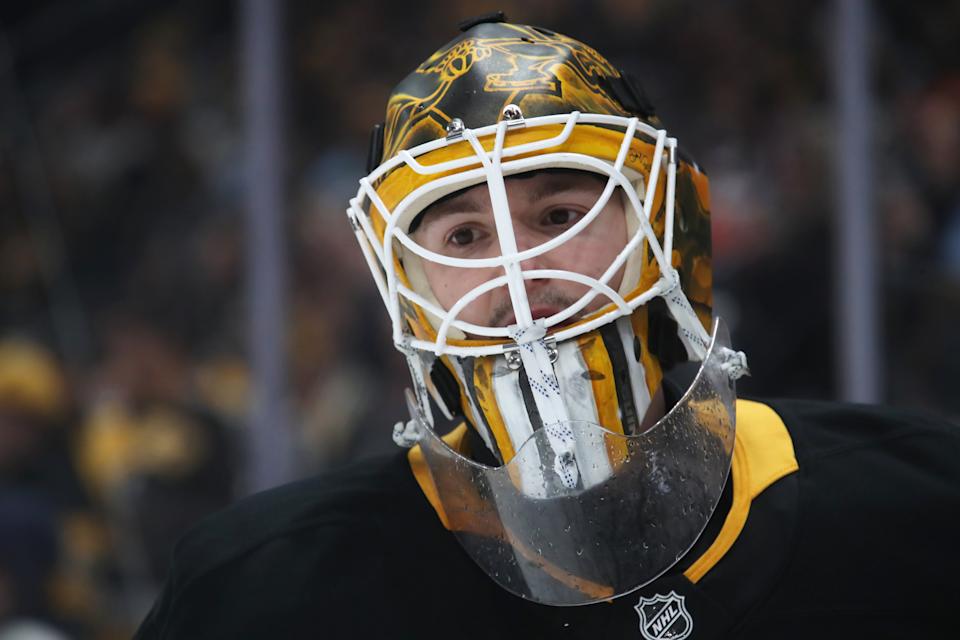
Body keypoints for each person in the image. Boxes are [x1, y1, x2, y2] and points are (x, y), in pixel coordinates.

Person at [136, 15, 960, 639]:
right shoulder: (259, 593)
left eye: (561, 214)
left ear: (667, 229)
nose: (521, 273)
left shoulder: (918, 507)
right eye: (464, 237)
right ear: (403, 285)